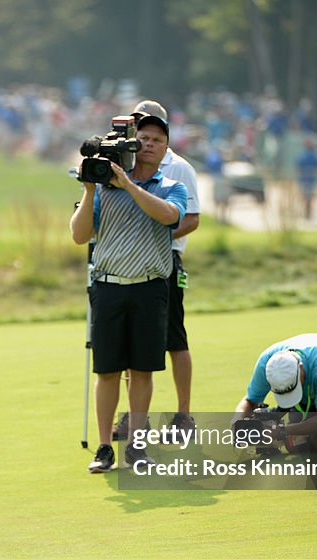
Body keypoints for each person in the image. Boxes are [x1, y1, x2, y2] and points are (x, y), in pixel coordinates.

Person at [70, 113, 189, 473]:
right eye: (145, 138)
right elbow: (78, 235)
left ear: (165, 149)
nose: (149, 144)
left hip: (150, 289)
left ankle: (137, 447)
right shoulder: (102, 189)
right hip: (108, 287)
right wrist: (91, 188)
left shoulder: (170, 186)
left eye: (157, 140)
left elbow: (170, 218)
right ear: (133, 144)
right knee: (107, 372)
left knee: (142, 371)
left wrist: (129, 185)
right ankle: (106, 447)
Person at [111, 99, 201, 441]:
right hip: (127, 264)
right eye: (136, 125)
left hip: (166, 261)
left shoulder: (179, 168)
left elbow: (191, 219)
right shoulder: (123, 163)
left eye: (149, 129)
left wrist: (154, 236)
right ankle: (137, 420)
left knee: (175, 339)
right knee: (130, 346)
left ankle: (183, 416)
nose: (142, 135)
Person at [296, 137, 317, 220]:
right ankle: (305, 213)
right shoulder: (304, 154)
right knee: (305, 197)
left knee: (308, 197)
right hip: (305, 179)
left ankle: (308, 214)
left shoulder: (312, 155)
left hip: (310, 179)